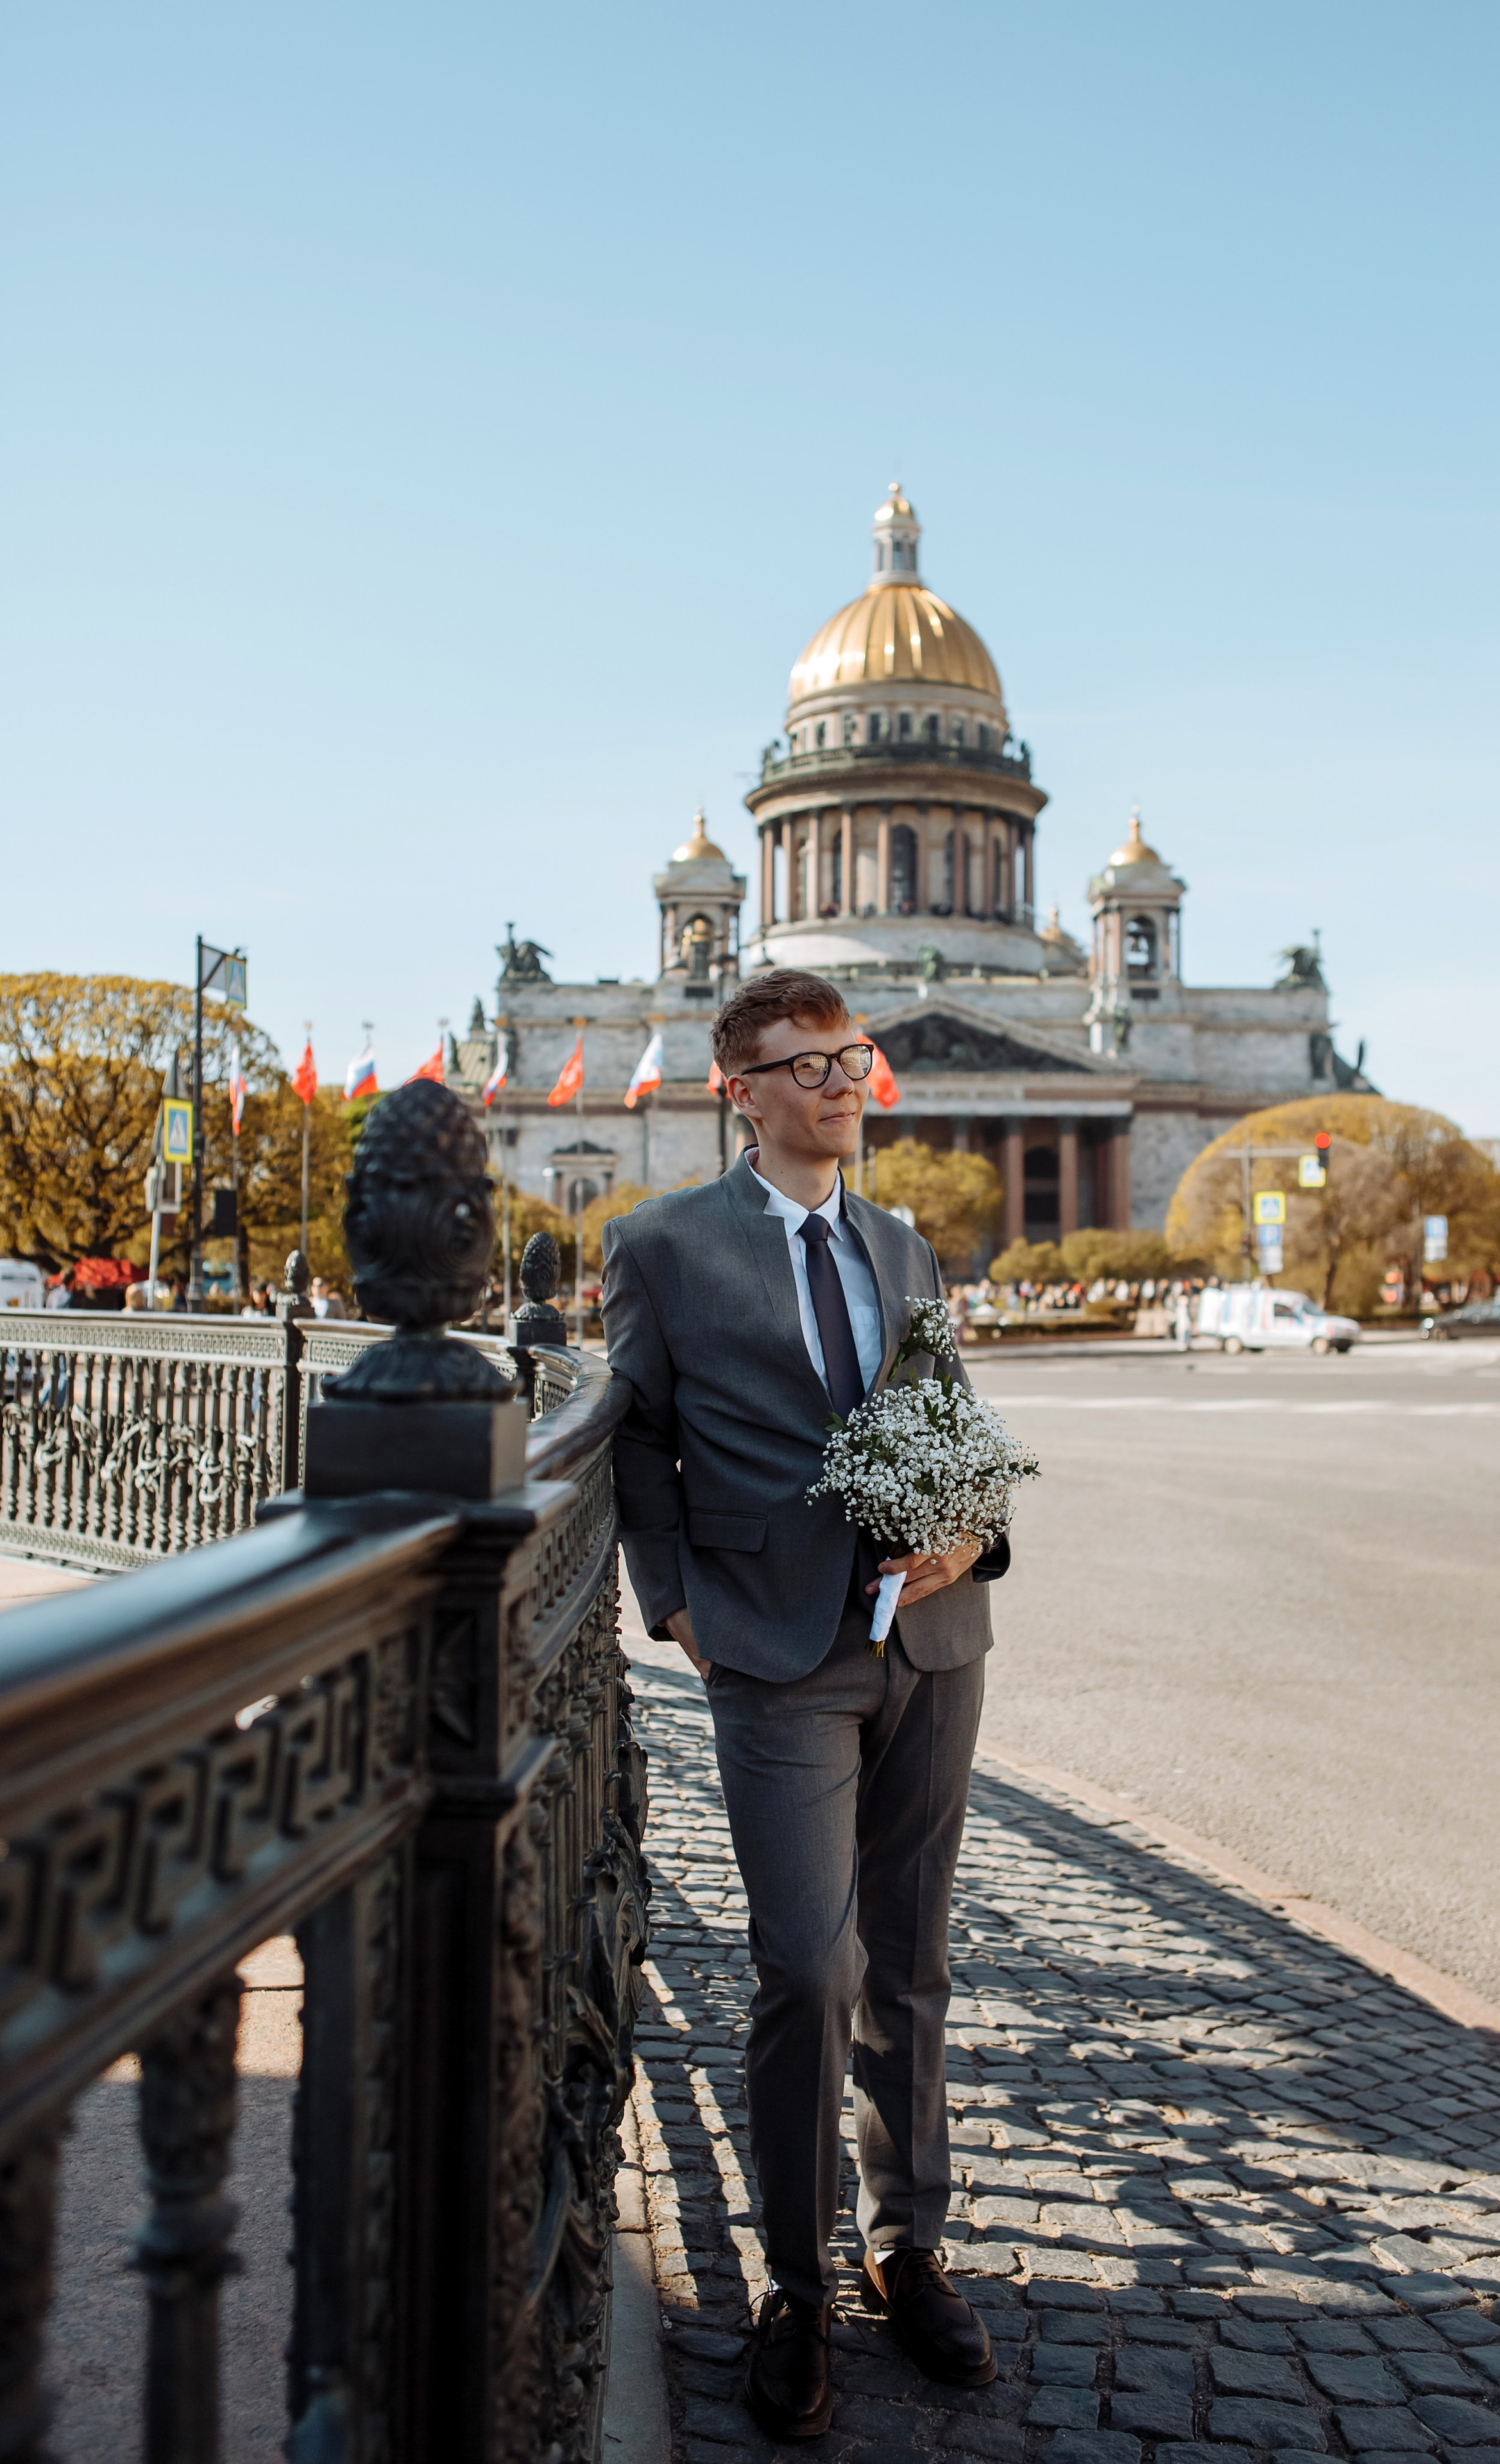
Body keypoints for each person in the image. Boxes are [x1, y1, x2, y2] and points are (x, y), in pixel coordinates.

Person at [602, 968, 1009, 2443]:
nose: (846, 1084)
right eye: (811, 1065)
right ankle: (792, 2278)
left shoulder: (903, 1247)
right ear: (742, 1089)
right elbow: (635, 1437)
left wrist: (971, 1533)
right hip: (775, 1655)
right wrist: (672, 1599)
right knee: (806, 1967)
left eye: (852, 1058)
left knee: (909, 1964)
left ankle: (910, 2249)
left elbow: (951, 1426)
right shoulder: (660, 1247)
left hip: (934, 1641)